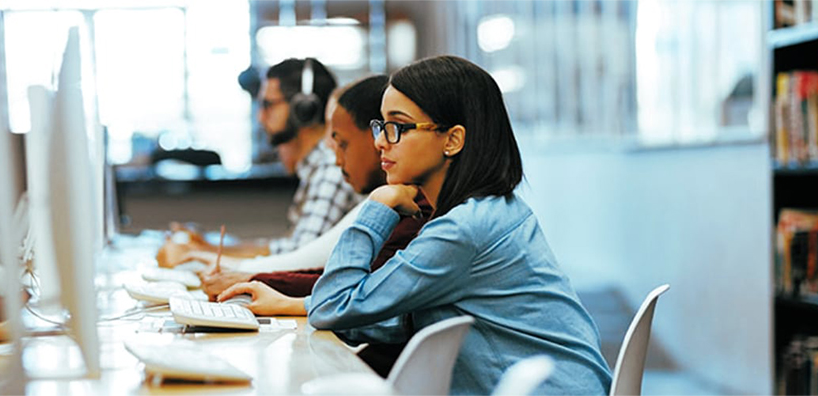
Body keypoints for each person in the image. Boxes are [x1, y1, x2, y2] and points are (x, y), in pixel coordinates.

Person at [220, 55, 612, 394]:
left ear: (453, 140)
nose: (380, 142)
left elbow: (334, 305)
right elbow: (405, 316)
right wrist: (296, 305)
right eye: (380, 125)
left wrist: (378, 204)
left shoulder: (462, 230)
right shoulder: (490, 210)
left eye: (398, 127)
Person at [199, 75, 432, 301]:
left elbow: (349, 292)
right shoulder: (401, 199)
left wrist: (249, 278)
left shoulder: (417, 210)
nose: (380, 141)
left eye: (397, 128)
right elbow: (343, 285)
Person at [157, 58, 360, 265]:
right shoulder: (316, 169)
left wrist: (203, 253)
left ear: (303, 109)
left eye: (268, 105)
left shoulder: (330, 169)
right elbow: (287, 248)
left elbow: (297, 259)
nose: (260, 117)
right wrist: (207, 248)